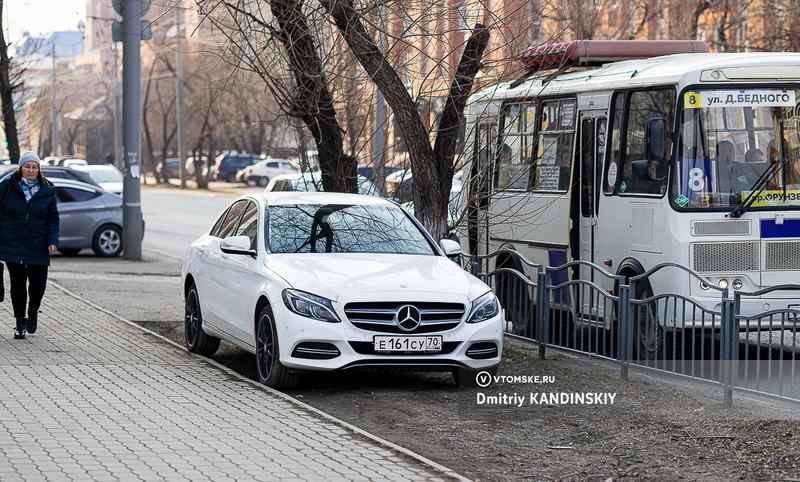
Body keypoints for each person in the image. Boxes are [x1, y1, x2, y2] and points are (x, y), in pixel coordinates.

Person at [0, 151, 59, 339]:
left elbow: (53, 218)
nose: (31, 170)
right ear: (21, 168)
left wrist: (52, 241)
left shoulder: (47, 190)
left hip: (38, 244)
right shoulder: (8, 186)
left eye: (34, 167)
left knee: (38, 283)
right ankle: (20, 323)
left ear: (39, 169)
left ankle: (33, 310)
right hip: (12, 243)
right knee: (17, 284)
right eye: (27, 166)